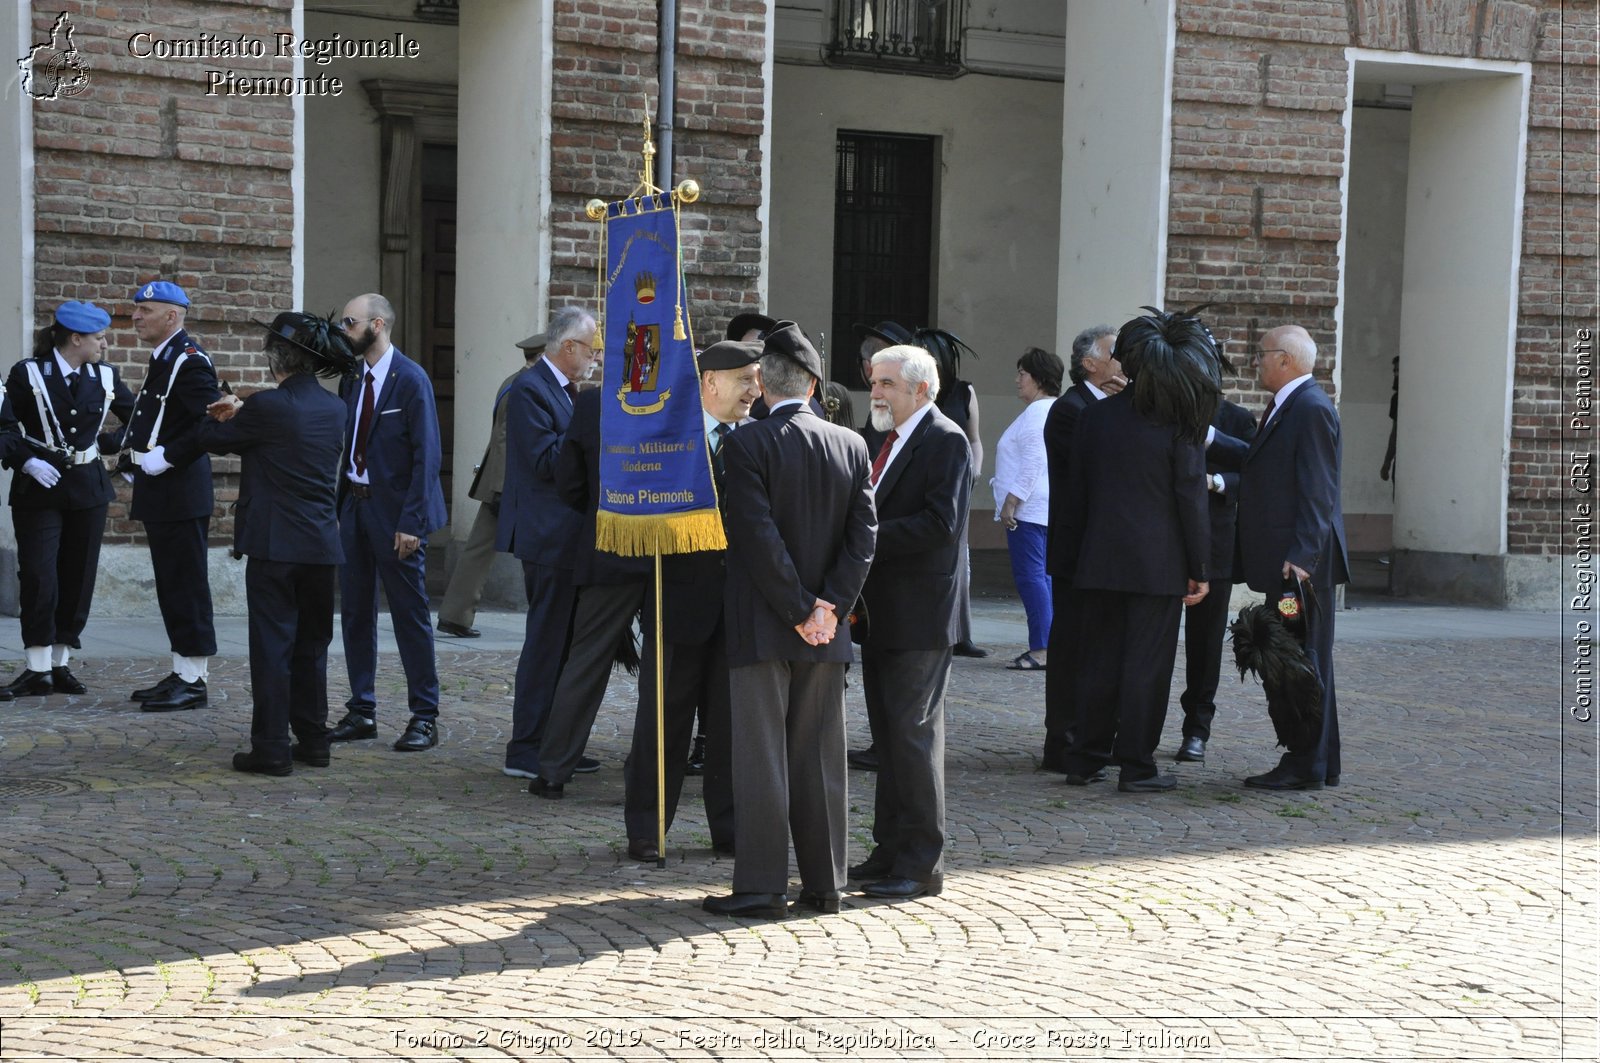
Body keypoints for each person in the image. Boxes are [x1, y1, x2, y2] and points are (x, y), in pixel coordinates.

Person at [702, 322, 875, 919]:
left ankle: (761, 887)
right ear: (813, 382)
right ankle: (825, 885)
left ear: (763, 386)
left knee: (762, 760)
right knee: (821, 758)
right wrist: (829, 607)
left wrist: (803, 608)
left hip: (765, 624)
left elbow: (756, 539)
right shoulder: (851, 445)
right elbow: (864, 538)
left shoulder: (745, 444)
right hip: (827, 627)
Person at [186, 313, 356, 775]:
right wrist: (246, 406)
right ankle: (315, 741)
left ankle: (272, 748)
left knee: (273, 648)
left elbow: (209, 439)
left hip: (276, 547)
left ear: (273, 358)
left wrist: (222, 409)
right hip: (321, 546)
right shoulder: (334, 408)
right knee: (312, 647)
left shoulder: (267, 410)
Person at [1057, 308, 1216, 793]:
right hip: (1157, 564)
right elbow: (1190, 498)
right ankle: (1136, 764)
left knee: (1099, 661)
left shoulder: (1096, 417)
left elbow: (1075, 492)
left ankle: (1085, 757)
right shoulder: (1177, 422)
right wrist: (1200, 567)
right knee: (1146, 666)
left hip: (1099, 559)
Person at [621, 338, 760, 860]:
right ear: (711, 383)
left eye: (757, 379)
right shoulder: (668, 441)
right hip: (676, 603)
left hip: (739, 608)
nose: (754, 389)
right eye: (745, 379)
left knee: (729, 727)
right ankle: (647, 829)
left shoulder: (758, 441)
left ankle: (729, 830)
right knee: (663, 722)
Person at [850, 343, 970, 901]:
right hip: (880, 615)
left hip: (920, 615)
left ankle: (922, 863)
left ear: (921, 389)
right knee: (889, 739)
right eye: (874, 382)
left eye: (887, 384)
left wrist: (865, 538)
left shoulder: (945, 440)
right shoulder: (879, 437)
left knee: (913, 737)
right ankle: (889, 848)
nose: (875, 392)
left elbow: (939, 525)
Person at [1208, 324, 1348, 790]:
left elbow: (1318, 489)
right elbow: (1261, 461)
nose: (1256, 362)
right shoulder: (1292, 405)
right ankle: (1319, 760)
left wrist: (1302, 557)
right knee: (1302, 657)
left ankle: (1305, 761)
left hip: (1298, 572)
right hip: (1291, 566)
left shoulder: (1308, 408)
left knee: (1297, 661)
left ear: (1286, 360)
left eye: (1262, 354)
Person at [327, 293, 449, 753]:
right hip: (355, 509)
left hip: (398, 513)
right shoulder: (352, 377)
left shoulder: (410, 379)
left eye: (349, 323)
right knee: (355, 611)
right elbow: (347, 448)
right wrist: (339, 511)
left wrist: (412, 522)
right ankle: (362, 709)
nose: (343, 330)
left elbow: (427, 455)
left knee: (409, 615)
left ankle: (425, 715)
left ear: (376, 325)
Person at [0, 301, 134, 699]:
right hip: (39, 488)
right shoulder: (29, 373)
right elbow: (5, 427)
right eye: (98, 338)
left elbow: (140, 420)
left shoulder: (105, 376)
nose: (105, 344)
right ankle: (36, 666)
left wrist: (106, 446)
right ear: (75, 339)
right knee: (40, 574)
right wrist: (26, 463)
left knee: (78, 575)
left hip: (88, 487)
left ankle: (59, 663)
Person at [525, 382, 648, 798]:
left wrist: (600, 508)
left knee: (586, 661)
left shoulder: (595, 398)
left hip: (609, 545)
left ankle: (554, 770)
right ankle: (654, 772)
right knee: (672, 669)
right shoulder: (682, 392)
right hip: (671, 548)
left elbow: (569, 481)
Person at [496, 306, 598, 778]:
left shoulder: (565, 392)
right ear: (568, 348)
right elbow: (544, 461)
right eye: (591, 349)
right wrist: (592, 421)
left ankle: (559, 745)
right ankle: (527, 748)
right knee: (545, 644)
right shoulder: (530, 390)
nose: (596, 358)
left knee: (566, 645)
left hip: (569, 537)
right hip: (547, 537)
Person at [120, 281, 221, 713]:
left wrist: (168, 456)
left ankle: (195, 679)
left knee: (186, 586)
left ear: (173, 316)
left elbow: (210, 422)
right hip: (165, 492)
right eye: (136, 309)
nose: (136, 317)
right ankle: (183, 669)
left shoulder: (189, 362)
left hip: (180, 490)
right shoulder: (165, 358)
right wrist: (134, 455)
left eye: (145, 310)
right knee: (172, 586)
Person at [1039, 324, 1123, 771]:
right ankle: (1063, 740)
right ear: (1090, 363)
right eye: (1114, 353)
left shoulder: (1103, 406)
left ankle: (1090, 734)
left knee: (1096, 645)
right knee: (1072, 645)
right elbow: (1095, 473)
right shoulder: (1070, 410)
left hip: (1099, 550)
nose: (1122, 361)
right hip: (1077, 550)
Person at [436, 331, 547, 639]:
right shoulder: (523, 387)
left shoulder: (515, 381)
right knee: (482, 549)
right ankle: (455, 614)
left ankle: (455, 614)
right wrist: (501, 487)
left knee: (481, 548)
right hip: (508, 484)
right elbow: (504, 441)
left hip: (506, 482)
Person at [1174, 397, 1256, 763]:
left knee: (1205, 644)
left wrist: (1216, 482)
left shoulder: (1236, 419)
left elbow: (1257, 470)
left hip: (1216, 545)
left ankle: (1197, 728)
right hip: (1167, 542)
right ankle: (1133, 726)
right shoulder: (1167, 412)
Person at [915, 327, 988, 660]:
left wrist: (974, 469)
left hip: (959, 481)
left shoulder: (963, 392)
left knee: (961, 557)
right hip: (923, 479)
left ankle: (962, 631)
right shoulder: (916, 390)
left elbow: (975, 438)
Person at [991, 346, 1063, 672]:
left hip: (1030, 511)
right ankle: (1049, 644)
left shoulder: (1037, 413)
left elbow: (1035, 460)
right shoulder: (1053, 410)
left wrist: (1012, 500)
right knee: (1043, 579)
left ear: (1038, 378)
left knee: (1032, 578)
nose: (1017, 380)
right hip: (1045, 508)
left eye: (1022, 374)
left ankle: (1043, 648)